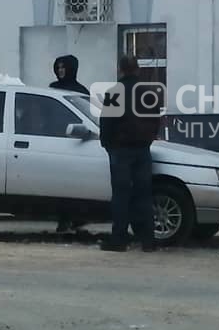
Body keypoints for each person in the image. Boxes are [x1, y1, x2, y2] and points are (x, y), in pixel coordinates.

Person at [98, 55, 161, 252]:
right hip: (142, 150)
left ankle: (119, 240)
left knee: (121, 195)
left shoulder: (115, 92)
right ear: (138, 69)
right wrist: (148, 140)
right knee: (144, 195)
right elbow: (155, 121)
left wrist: (107, 144)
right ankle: (148, 241)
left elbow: (106, 122)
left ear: (121, 70)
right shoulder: (149, 93)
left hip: (120, 150)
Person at [50, 54, 89, 232]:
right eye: (58, 68)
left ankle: (77, 218)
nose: (60, 71)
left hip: (77, 140)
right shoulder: (53, 88)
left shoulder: (80, 91)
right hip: (55, 139)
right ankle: (64, 220)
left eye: (64, 67)